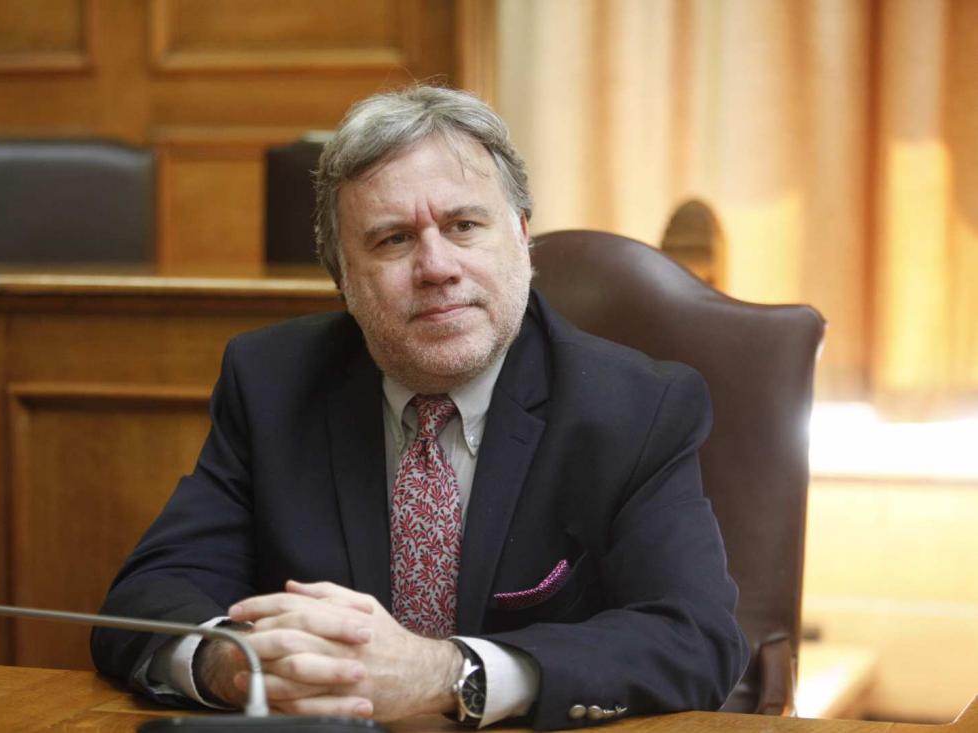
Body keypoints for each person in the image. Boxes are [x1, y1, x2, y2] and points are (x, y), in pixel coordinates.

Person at [91, 85, 749, 730]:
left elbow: (693, 637)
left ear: (522, 238)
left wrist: (448, 674)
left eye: (464, 226)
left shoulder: (636, 408)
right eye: (393, 239)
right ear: (342, 278)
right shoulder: (271, 385)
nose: (436, 267)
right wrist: (232, 662)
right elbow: (148, 598)